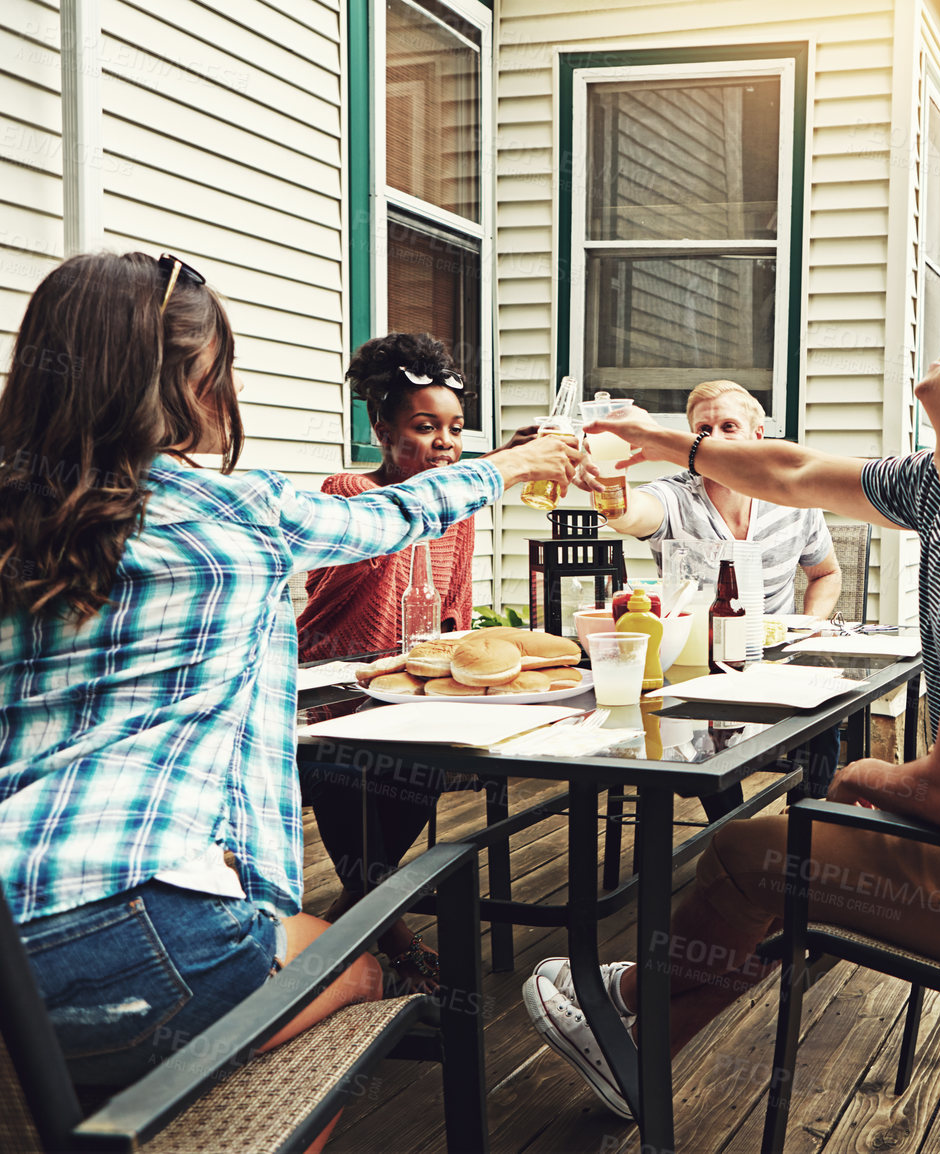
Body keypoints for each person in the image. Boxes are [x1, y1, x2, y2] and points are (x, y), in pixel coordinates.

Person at [521, 280, 940, 1121]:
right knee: (787, 844)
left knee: (745, 856)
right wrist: (656, 439)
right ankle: (638, 1028)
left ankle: (632, 1027)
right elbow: (791, 470)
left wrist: (868, 769)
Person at [0, 253, 582, 1122]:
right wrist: (520, 461)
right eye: (220, 369)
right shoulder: (238, 510)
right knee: (361, 969)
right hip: (148, 935)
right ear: (191, 384)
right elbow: (398, 512)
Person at [295, 332, 530, 990]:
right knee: (355, 771)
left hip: (405, 693)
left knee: (426, 763)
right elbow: (383, 542)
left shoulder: (457, 510)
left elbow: (452, 609)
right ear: (381, 429)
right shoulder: (350, 490)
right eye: (424, 427)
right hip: (329, 693)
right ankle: (390, 936)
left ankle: (354, 925)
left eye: (456, 428)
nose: (446, 442)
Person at [599, 378, 840, 619]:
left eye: (729, 427)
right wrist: (607, 465)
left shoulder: (795, 501)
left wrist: (809, 627)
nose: (713, 439)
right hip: (696, 651)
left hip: (775, 652)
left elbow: (825, 574)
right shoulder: (674, 496)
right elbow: (625, 516)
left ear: (757, 436)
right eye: (703, 430)